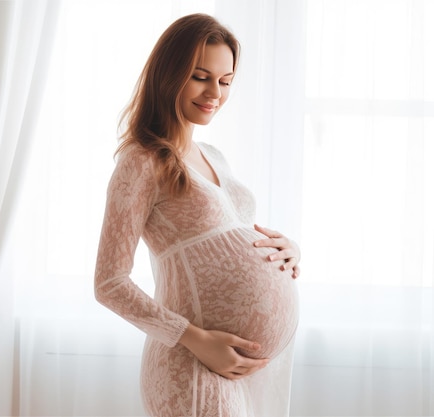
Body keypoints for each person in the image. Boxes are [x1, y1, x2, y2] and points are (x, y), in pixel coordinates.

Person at [94, 13, 301, 417]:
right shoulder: (142, 160)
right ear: (170, 74)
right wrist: (196, 339)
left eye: (225, 81)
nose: (215, 93)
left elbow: (232, 237)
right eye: (201, 76)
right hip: (191, 364)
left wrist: (288, 250)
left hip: (240, 373)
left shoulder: (214, 157)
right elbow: (109, 283)